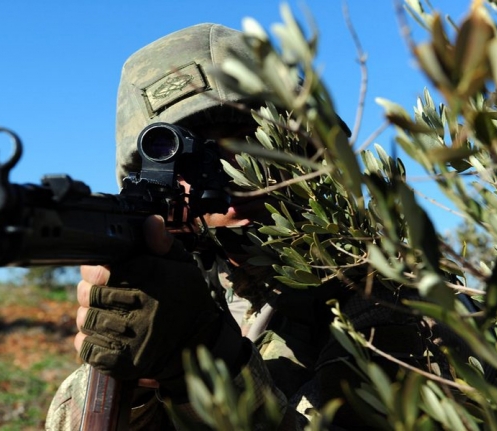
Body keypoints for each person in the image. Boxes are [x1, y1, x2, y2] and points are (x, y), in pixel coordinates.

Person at [46, 23, 451, 430]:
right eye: (189, 156)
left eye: (251, 141)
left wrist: (205, 360)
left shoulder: (391, 291)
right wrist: (137, 382)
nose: (231, 173)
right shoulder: (187, 283)